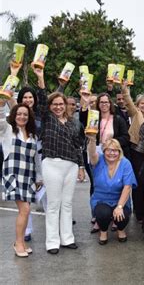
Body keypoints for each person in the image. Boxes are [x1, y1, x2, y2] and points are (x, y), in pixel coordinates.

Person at [34, 66, 84, 255]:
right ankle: (52, 242)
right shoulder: (47, 119)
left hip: (70, 165)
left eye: (61, 104)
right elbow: (40, 98)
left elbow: (77, 145)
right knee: (54, 204)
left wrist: (80, 166)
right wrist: (40, 77)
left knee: (67, 203)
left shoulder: (72, 122)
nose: (58, 106)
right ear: (50, 106)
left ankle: (67, 238)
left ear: (66, 105)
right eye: (54, 104)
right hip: (52, 164)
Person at [1, 98, 41, 257]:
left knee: (26, 211)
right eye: (19, 114)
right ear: (13, 115)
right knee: (24, 209)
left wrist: (39, 177)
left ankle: (21, 242)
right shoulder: (7, 130)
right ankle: (18, 243)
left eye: (25, 114)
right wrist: (2, 102)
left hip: (28, 176)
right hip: (13, 174)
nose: (22, 117)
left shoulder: (33, 135)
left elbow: (36, 159)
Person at [87, 137, 136, 245]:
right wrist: (92, 139)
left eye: (115, 150)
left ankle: (121, 230)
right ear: (103, 151)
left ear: (119, 151)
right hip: (101, 199)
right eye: (108, 150)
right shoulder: (98, 160)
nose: (111, 153)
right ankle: (103, 232)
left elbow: (127, 187)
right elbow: (91, 153)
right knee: (103, 213)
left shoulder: (125, 163)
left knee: (123, 214)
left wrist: (119, 206)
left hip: (119, 199)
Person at [120, 82, 144, 223]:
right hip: (136, 152)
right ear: (138, 105)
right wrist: (124, 88)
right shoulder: (135, 113)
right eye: (142, 103)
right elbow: (127, 99)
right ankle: (139, 213)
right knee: (138, 183)